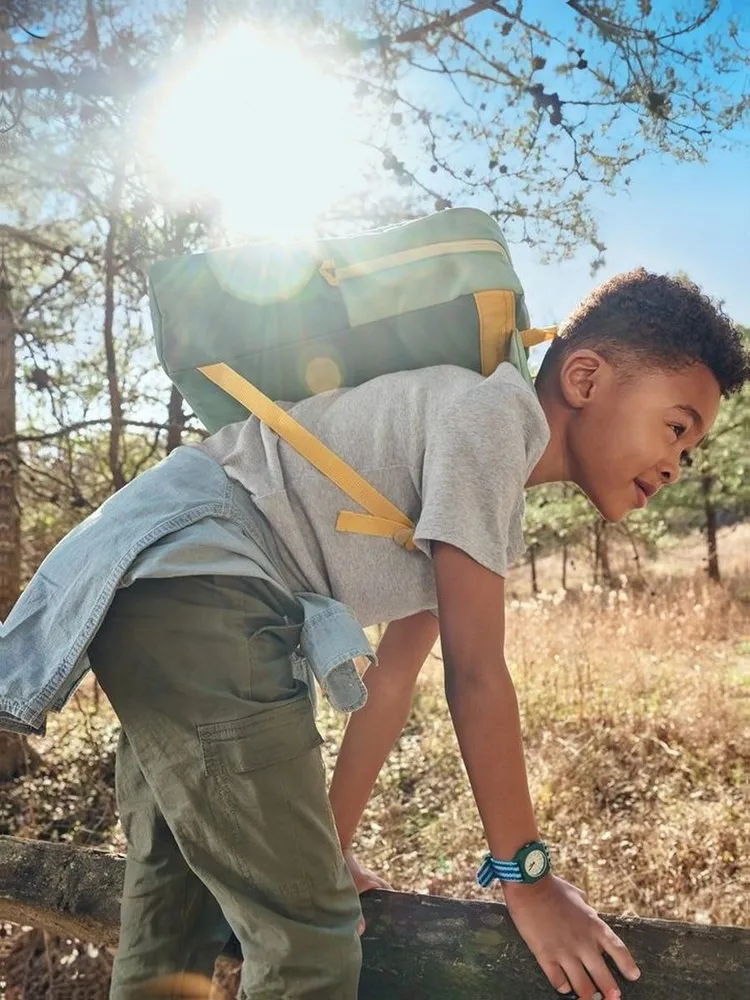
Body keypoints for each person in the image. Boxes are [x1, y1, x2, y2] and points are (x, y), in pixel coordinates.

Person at [1, 268, 747, 1000]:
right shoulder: (494, 417)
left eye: (691, 450)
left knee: (178, 909)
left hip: (155, 585)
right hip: (202, 582)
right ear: (584, 379)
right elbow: (476, 673)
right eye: (677, 427)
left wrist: (326, 847)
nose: (678, 464)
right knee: (312, 946)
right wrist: (529, 878)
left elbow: (391, 681)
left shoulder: (477, 474)